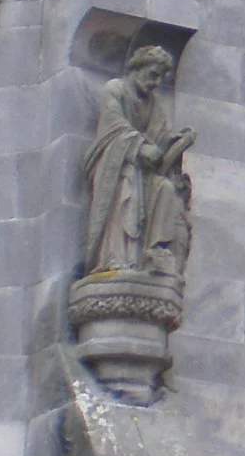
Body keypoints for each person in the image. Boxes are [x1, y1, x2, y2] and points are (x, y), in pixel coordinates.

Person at [79, 45, 194, 282]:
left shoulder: (154, 104)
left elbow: (160, 137)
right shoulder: (116, 89)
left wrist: (175, 141)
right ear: (136, 68)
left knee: (166, 189)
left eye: (161, 77)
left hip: (145, 172)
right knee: (127, 183)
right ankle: (114, 258)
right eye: (153, 74)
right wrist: (140, 147)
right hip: (117, 163)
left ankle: (153, 250)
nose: (156, 82)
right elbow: (114, 126)